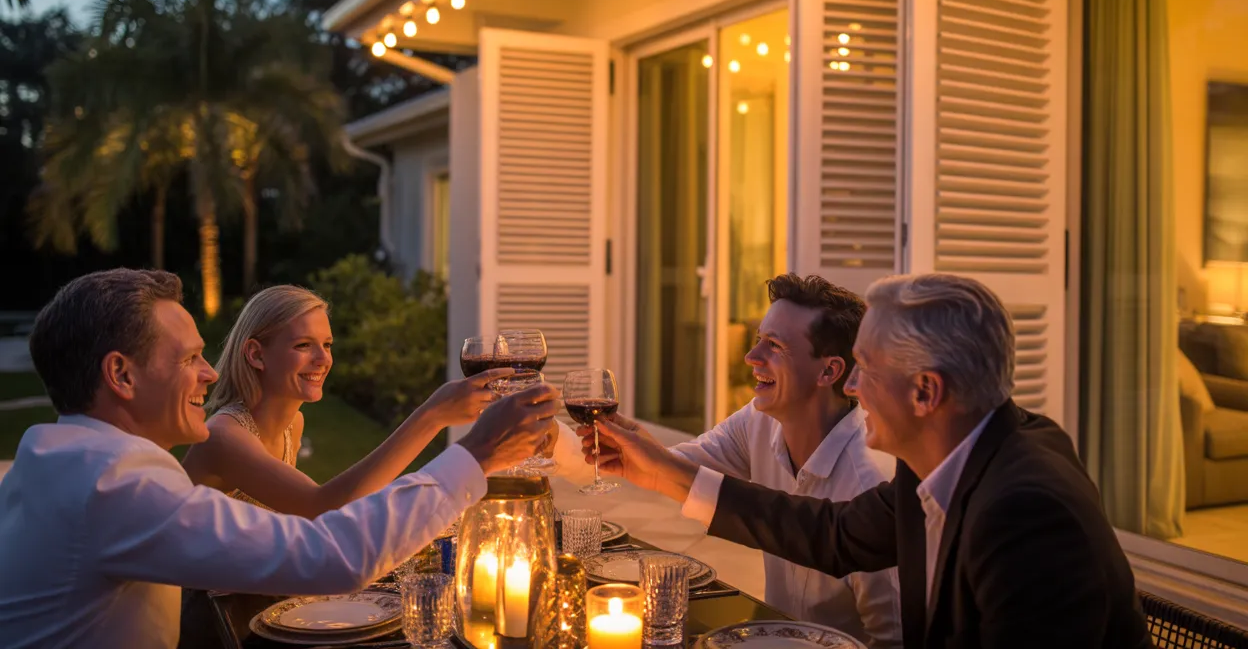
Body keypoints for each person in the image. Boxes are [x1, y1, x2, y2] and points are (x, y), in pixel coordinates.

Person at [583, 273, 1152, 649]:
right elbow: (833, 536)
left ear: (925, 393)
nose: (851, 385)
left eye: (865, 368)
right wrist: (658, 471)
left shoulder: (1026, 513)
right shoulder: (941, 459)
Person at [0, 269, 557, 649]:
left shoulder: (57, 458)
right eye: (190, 358)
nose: (210, 373)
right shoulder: (114, 484)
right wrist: (475, 455)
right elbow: (329, 554)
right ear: (121, 375)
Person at [570, 274, 900, 647]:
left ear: (829, 371)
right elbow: (684, 469)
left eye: (774, 345)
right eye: (759, 339)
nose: (751, 357)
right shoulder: (758, 420)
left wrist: (656, 465)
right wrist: (619, 449)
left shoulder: (867, 480)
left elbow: (894, 639)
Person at [182, 284, 505, 515]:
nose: (323, 359)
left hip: (253, 594)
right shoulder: (224, 436)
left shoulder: (292, 424)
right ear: (256, 354)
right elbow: (322, 507)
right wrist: (431, 416)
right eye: (303, 346)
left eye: (328, 344)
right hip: (211, 607)